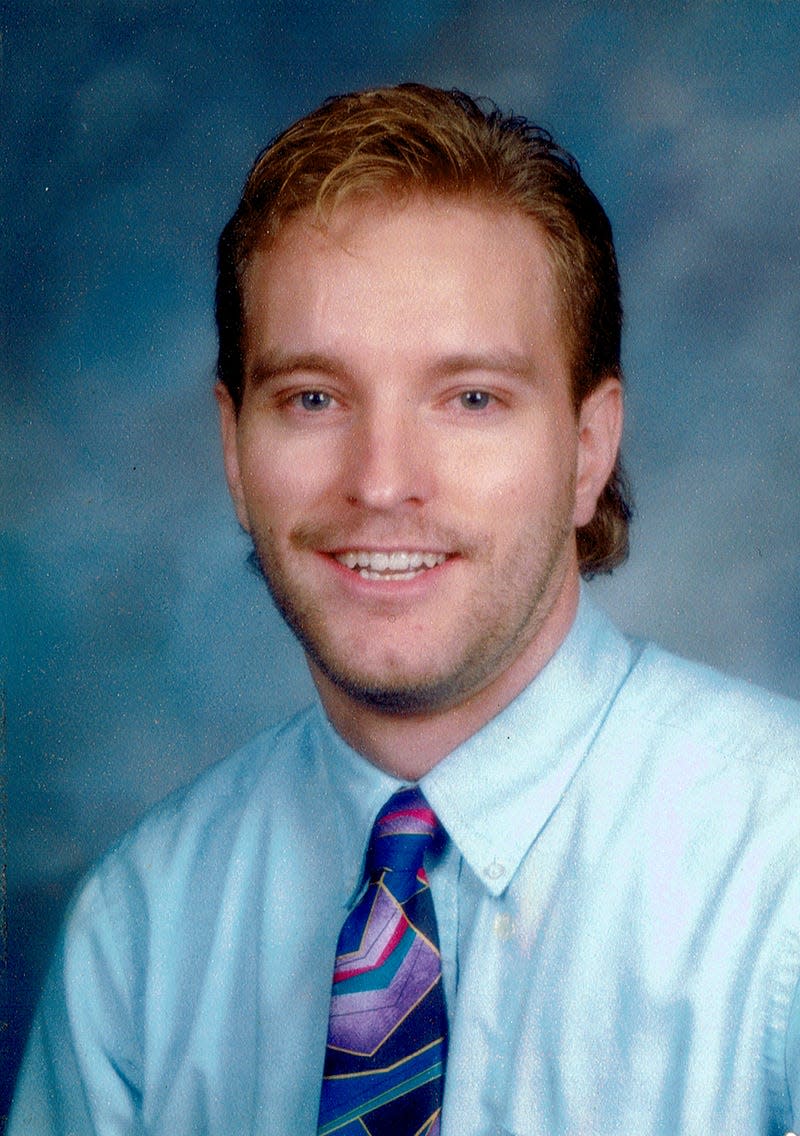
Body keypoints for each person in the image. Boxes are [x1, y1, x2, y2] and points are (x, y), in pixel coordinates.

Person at [9, 83, 800, 1135]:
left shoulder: (777, 875)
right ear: (234, 449)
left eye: (470, 397)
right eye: (312, 399)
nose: (380, 481)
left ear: (586, 448)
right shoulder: (140, 928)